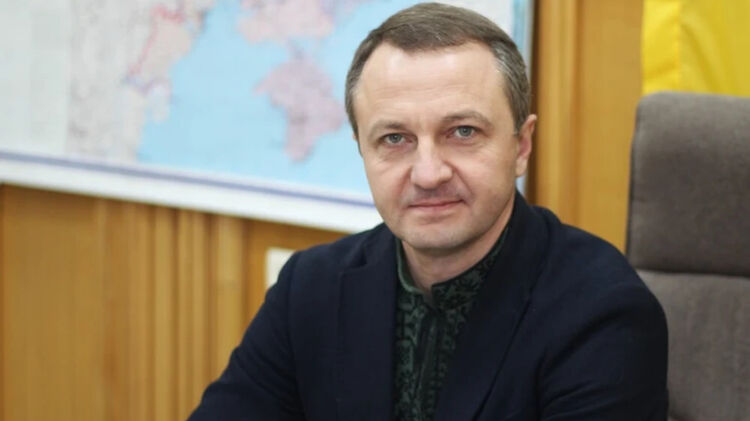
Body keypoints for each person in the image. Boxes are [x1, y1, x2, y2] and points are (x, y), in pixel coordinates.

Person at [188, 3, 668, 420]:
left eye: (462, 132)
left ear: (521, 146)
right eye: (395, 138)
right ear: (362, 151)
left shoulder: (602, 314)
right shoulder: (309, 288)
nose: (428, 173)